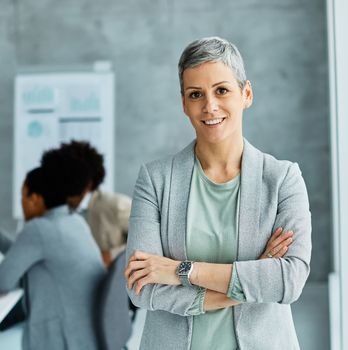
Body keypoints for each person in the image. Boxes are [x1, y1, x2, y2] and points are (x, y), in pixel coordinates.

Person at [125, 37, 312, 350]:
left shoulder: (282, 179)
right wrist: (253, 277)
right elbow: (141, 288)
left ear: (246, 94)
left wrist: (179, 270)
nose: (209, 106)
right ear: (184, 103)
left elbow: (288, 281)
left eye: (221, 90)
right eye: (196, 94)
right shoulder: (154, 180)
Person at [0, 160, 105, 349]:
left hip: (62, 338)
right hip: (87, 332)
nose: (22, 203)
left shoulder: (38, 230)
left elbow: (3, 281)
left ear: (36, 199)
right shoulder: (74, 221)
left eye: (23, 196)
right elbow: (21, 254)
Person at [41, 141, 132, 266]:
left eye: (64, 180)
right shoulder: (59, 211)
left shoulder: (115, 204)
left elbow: (150, 242)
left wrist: (112, 255)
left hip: (113, 281)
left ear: (87, 183)